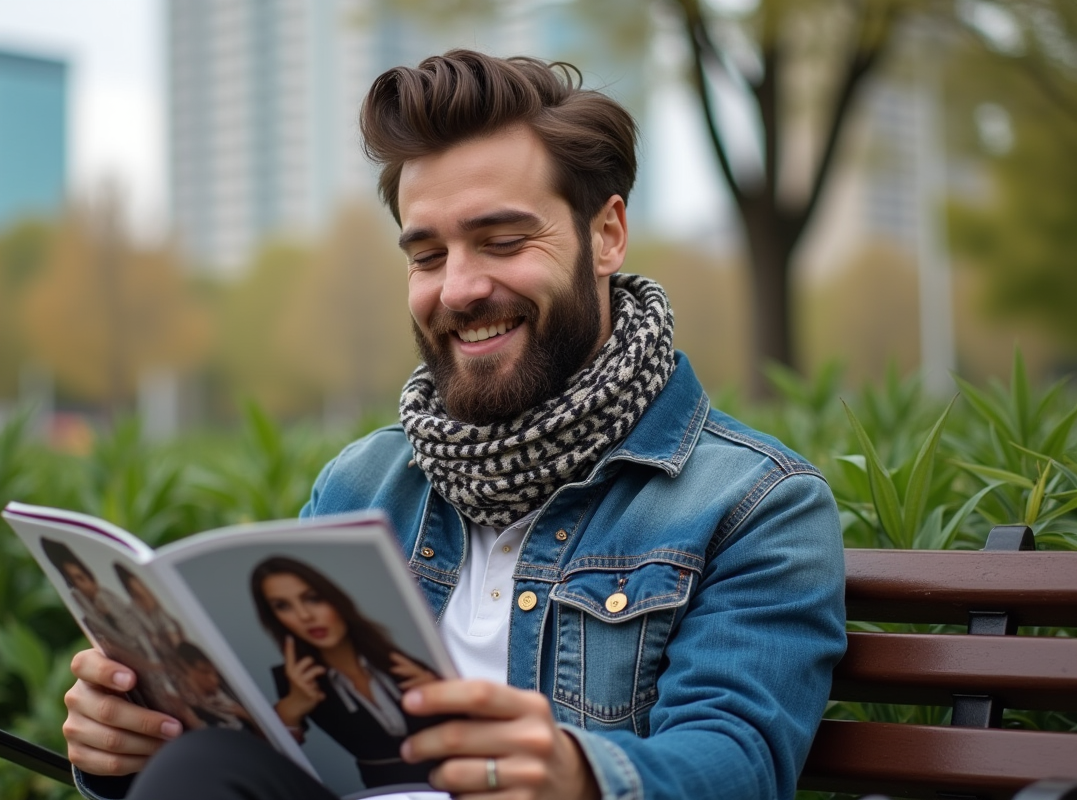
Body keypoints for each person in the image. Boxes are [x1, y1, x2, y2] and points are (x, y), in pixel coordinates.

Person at [61, 49, 846, 800]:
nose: (460, 289)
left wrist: (577, 776)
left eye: (502, 241)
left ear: (606, 235)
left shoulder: (754, 503)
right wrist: (137, 737)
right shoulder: (363, 484)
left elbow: (741, 762)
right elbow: (280, 735)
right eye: (427, 255)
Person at [251, 556, 443, 788]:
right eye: (283, 606)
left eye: (313, 599)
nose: (304, 616)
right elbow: (264, 762)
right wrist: (291, 707)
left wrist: (440, 697)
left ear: (335, 599)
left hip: (454, 780)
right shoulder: (292, 681)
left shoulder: (400, 659)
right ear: (275, 618)